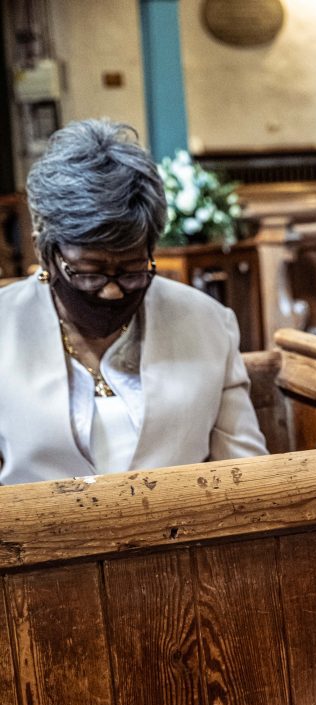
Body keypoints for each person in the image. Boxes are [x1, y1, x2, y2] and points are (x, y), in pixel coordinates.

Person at [0, 119, 266, 486]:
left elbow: (248, 475)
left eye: (132, 271)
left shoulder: (206, 322)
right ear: (46, 252)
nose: (112, 292)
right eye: (90, 272)